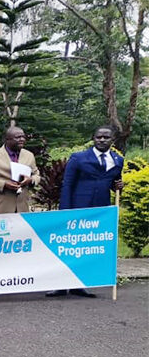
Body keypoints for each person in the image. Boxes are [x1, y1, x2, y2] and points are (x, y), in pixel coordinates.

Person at [48, 125, 125, 299]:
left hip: (100, 210)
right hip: (77, 207)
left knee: (88, 248)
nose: (102, 140)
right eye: (99, 137)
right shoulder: (79, 158)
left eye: (106, 137)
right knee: (69, 247)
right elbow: (67, 185)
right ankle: (60, 286)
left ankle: (79, 284)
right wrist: (65, 212)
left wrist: (118, 186)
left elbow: (112, 183)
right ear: (93, 138)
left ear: (112, 140)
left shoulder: (117, 160)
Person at [0, 126, 40, 213]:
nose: (22, 139)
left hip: (22, 208)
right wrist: (4, 184)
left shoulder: (29, 155)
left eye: (23, 137)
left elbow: (36, 175)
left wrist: (30, 180)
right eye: (18, 137)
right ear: (7, 139)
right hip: (1, 207)